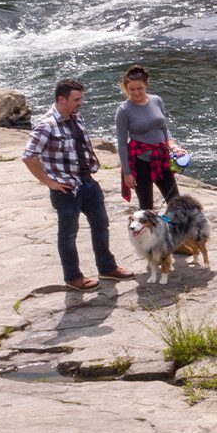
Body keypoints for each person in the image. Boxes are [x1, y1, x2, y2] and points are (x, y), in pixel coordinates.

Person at [21, 77, 135, 292]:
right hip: (66, 190)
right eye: (76, 99)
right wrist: (48, 182)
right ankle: (73, 277)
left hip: (88, 183)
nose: (80, 102)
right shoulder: (47, 125)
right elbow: (28, 156)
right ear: (61, 99)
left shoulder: (77, 116)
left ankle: (107, 268)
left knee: (101, 225)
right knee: (68, 234)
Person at [115, 64, 182, 211]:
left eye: (139, 88)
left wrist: (173, 146)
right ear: (126, 88)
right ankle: (147, 233)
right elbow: (121, 144)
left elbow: (164, 128)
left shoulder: (156, 100)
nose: (136, 92)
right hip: (140, 163)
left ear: (146, 85)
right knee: (146, 206)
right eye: (131, 89)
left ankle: (174, 232)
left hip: (161, 158)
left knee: (175, 202)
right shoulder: (123, 110)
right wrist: (127, 173)